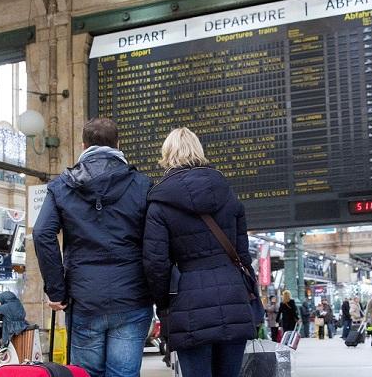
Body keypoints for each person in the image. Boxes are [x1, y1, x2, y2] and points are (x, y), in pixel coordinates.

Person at [33, 118, 152, 377]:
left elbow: (42, 233)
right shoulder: (142, 185)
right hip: (132, 297)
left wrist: (57, 291)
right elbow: (155, 242)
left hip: (85, 298)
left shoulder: (62, 186)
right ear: (118, 144)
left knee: (86, 374)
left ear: (84, 145)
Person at [143, 127, 256, 377]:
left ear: (167, 154)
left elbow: (156, 263)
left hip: (188, 302)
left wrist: (164, 304)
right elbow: (243, 256)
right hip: (232, 297)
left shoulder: (159, 203)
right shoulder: (228, 193)